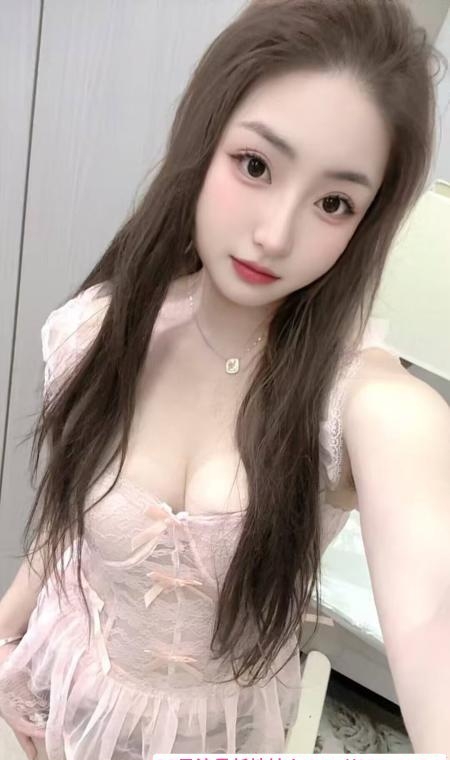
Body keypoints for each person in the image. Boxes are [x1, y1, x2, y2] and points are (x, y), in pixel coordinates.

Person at [0, 0, 449, 758]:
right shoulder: (98, 328)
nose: (275, 234)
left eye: (333, 203)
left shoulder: (365, 405)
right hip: (65, 684)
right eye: (256, 165)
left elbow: (434, 623)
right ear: (204, 142)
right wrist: (9, 625)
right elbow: (71, 519)